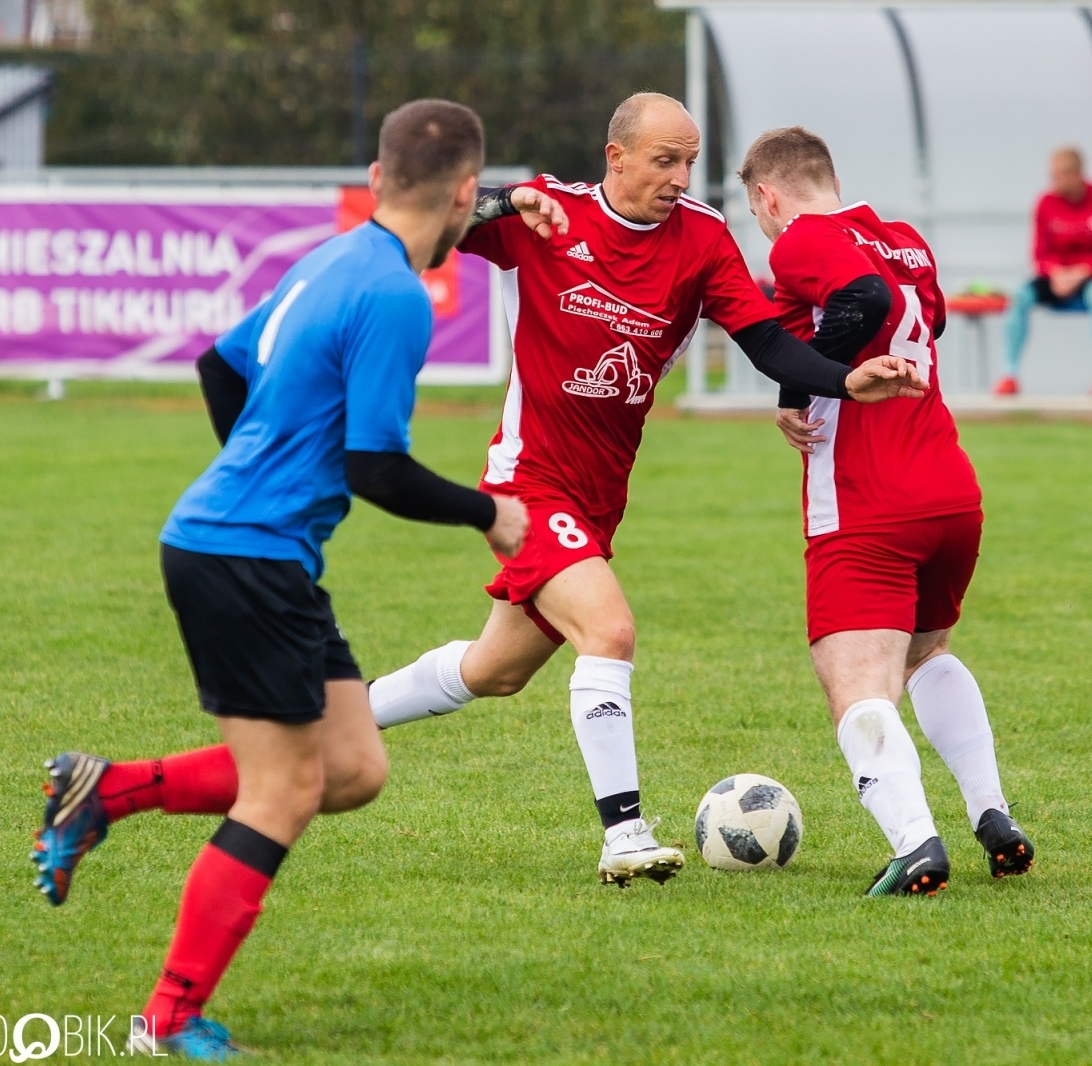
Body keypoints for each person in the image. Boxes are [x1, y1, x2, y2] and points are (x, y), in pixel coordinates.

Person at [28, 99, 544, 1059]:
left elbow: (217, 369)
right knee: (282, 792)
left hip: (246, 546)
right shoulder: (392, 295)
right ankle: (166, 1018)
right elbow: (375, 468)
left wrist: (265, 475)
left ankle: (102, 791)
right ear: (464, 192)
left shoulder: (333, 257)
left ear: (380, 179)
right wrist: (491, 512)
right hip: (243, 555)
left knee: (350, 768)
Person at [365, 92, 926, 888]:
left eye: (690, 160)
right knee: (610, 631)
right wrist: (502, 200)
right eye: (665, 160)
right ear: (616, 157)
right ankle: (623, 834)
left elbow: (766, 342)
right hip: (529, 483)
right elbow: (422, 222)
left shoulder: (700, 238)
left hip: (599, 495)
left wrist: (842, 377)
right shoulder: (547, 215)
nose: (681, 176)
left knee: (496, 669)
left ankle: (341, 715)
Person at [741, 126, 1034, 896]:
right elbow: (916, 322)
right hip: (948, 486)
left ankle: (916, 845)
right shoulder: (903, 238)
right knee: (925, 654)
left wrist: (816, 386)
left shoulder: (801, 239)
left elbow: (860, 300)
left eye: (756, 212)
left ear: (767, 196)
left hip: (869, 499)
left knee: (858, 686)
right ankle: (992, 815)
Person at [996, 146, 1092, 398]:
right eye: (1052, 175)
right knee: (1019, 296)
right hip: (1056, 278)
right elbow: (1039, 253)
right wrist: (1056, 273)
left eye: (1058, 175)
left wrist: (1083, 271)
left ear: (1076, 174)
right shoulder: (1046, 202)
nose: (1053, 182)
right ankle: (1009, 375)